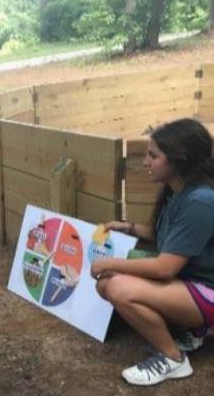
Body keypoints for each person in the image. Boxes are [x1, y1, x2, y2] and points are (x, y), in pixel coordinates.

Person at [91, 118, 214, 385]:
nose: (146, 162)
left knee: (115, 287)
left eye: (153, 155)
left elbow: (164, 268)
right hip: (192, 282)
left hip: (206, 290)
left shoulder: (201, 201)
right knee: (107, 285)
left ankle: (174, 359)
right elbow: (166, 235)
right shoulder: (178, 191)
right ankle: (193, 329)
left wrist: (110, 263)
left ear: (178, 160)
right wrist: (125, 227)